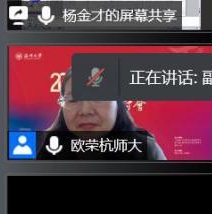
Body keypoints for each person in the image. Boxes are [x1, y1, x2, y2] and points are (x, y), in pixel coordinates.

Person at [38, 68, 167, 160]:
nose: (85, 111)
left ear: (118, 103)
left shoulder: (145, 150)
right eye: (73, 100)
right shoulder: (43, 147)